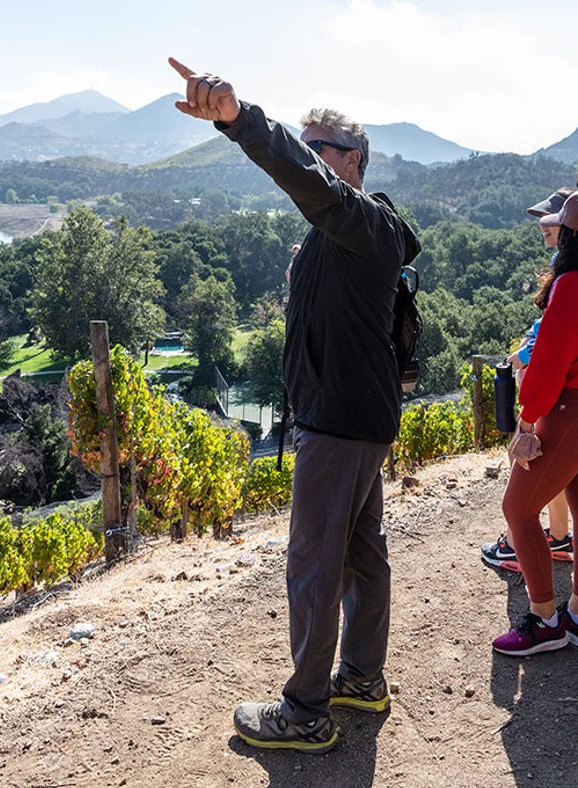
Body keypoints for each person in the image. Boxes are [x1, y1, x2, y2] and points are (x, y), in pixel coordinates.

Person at [169, 57, 420, 753]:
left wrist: (240, 120)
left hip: (339, 421)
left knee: (313, 561)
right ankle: (362, 680)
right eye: (305, 145)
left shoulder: (360, 220)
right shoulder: (344, 232)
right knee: (361, 556)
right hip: (356, 416)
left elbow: (302, 178)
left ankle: (305, 712)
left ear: (355, 159)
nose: (310, 158)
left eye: (320, 148)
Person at [492, 188, 578, 656]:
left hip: (573, 412)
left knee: (518, 509)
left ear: (568, 235)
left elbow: (548, 364)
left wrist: (525, 424)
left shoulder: (573, 286)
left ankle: (545, 621)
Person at [481, 188, 575, 571]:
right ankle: (557, 537)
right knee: (555, 466)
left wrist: (524, 354)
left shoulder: (567, 270)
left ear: (568, 223)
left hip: (556, 388)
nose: (541, 226)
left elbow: (559, 333)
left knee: (525, 457)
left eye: (548, 219)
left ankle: (514, 545)